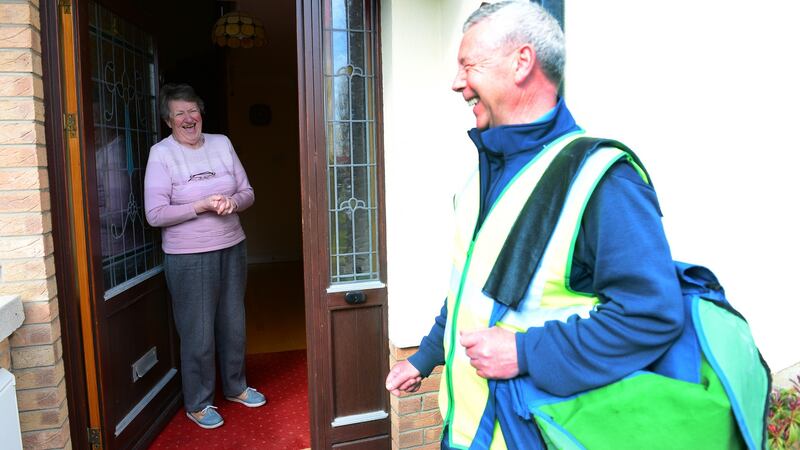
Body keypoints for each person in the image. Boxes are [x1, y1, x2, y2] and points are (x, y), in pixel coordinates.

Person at [385, 2, 749, 449]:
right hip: (464, 433)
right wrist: (423, 357)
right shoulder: (482, 175)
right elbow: (470, 285)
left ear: (522, 62)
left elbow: (650, 315)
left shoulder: (605, 180)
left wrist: (523, 353)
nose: (457, 83)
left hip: (530, 436)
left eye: (468, 65)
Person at [144, 83, 265, 429]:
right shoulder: (162, 154)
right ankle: (198, 402)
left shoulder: (222, 143)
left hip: (231, 244)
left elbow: (247, 192)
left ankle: (236, 387)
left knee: (233, 323)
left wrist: (232, 202)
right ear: (169, 120)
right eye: (179, 113)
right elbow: (155, 214)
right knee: (197, 332)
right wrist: (201, 205)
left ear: (201, 113)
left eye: (192, 110)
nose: (187, 118)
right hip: (188, 255)